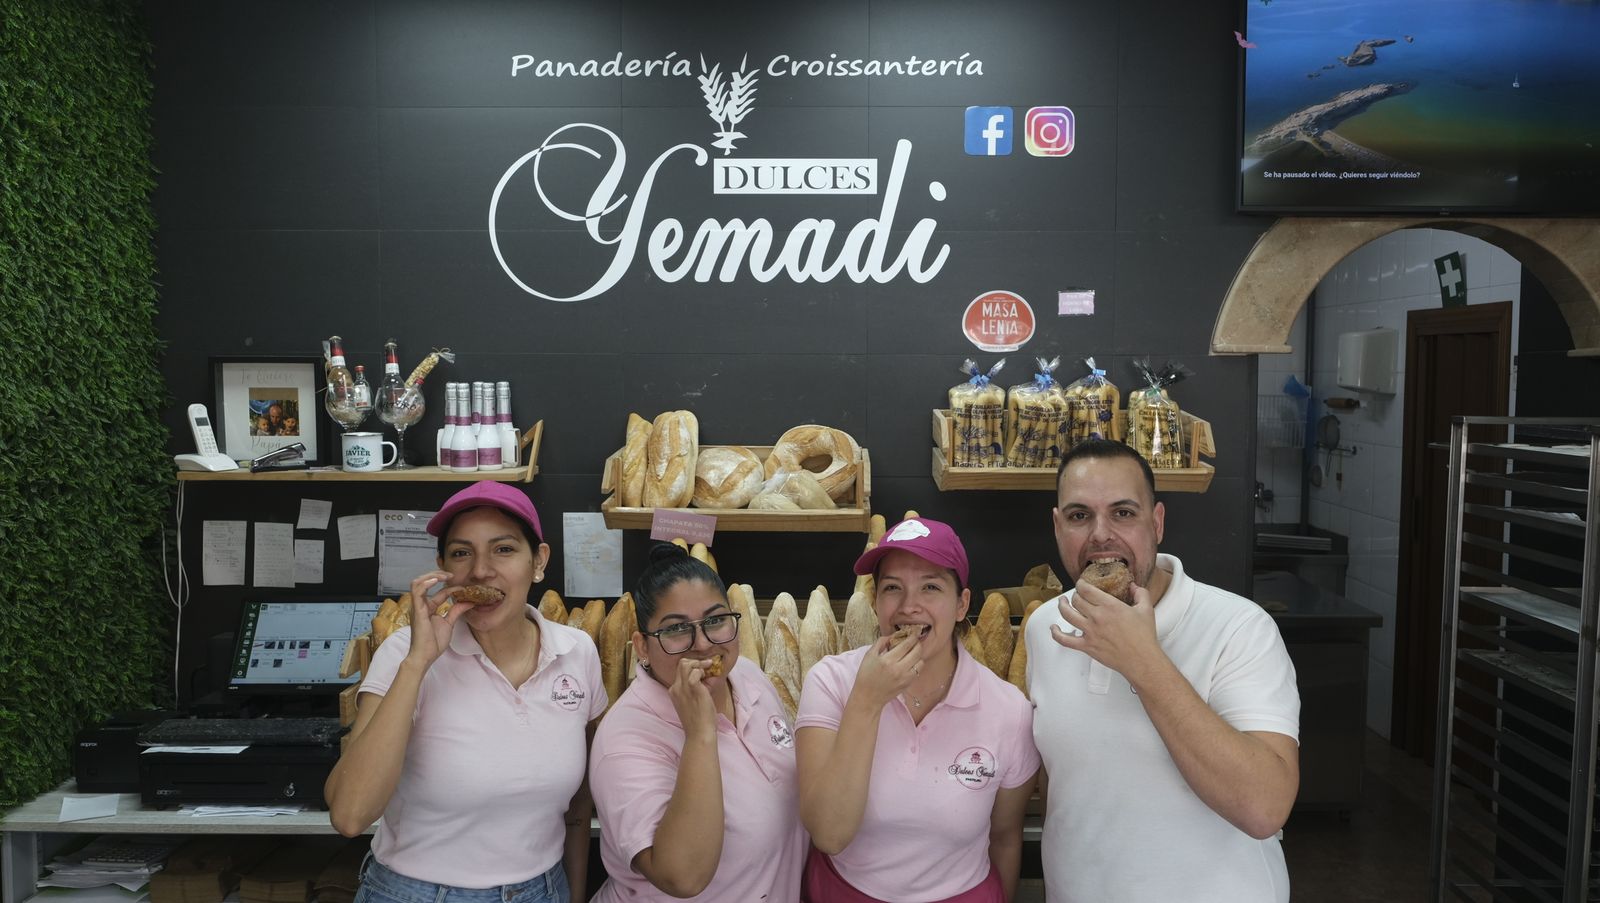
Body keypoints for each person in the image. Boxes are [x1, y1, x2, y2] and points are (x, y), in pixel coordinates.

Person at [1026, 439, 1301, 902]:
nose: (1100, 534)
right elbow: (1067, 780)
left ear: (1157, 523)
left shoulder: (1240, 628)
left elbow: (1264, 807)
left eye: (1123, 513)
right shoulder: (1043, 627)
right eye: (1079, 516)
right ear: (1057, 527)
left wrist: (1143, 662)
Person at [326, 481, 605, 903]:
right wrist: (419, 663)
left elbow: (578, 808)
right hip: (418, 894)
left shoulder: (576, 651)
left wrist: (574, 894)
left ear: (539, 561)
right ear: (442, 567)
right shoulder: (404, 653)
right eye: (461, 553)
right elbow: (349, 814)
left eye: (504, 549)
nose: (480, 571)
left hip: (544, 889)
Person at [796, 518, 1040, 903]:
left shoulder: (1009, 710)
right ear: (876, 601)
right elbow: (828, 834)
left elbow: (1005, 837)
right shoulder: (831, 682)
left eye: (930, 587)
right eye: (893, 588)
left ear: (961, 605)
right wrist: (867, 700)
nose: (909, 607)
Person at [589, 543, 808, 902]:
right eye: (676, 629)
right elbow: (682, 876)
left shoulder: (749, 678)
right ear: (642, 646)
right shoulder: (623, 740)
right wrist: (700, 734)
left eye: (716, 620)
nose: (704, 644)